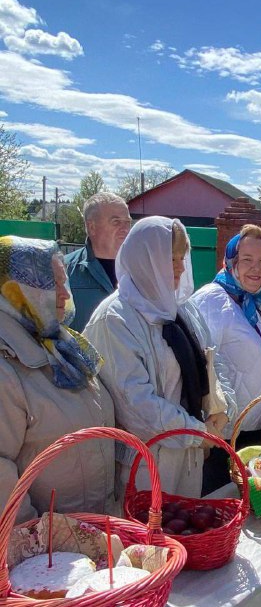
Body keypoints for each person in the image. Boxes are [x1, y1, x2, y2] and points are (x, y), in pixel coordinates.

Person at [84, 216, 235, 500]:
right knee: (148, 539)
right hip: (143, 466)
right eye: (169, 258)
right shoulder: (115, 319)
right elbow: (136, 405)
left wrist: (222, 407)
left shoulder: (179, 307)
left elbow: (213, 361)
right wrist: (198, 432)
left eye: (181, 257)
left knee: (184, 535)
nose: (179, 267)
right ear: (144, 259)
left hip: (188, 457)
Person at [0, 235, 116, 524]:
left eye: (65, 282)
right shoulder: (6, 366)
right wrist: (34, 537)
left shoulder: (62, 344)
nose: (65, 293)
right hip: (45, 552)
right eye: (52, 283)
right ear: (14, 290)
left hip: (89, 534)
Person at [190, 224, 261, 447]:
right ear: (231, 262)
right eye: (247, 260)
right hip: (227, 432)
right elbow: (200, 366)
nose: (256, 269)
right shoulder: (212, 301)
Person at [65, 192, 132, 331]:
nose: (125, 229)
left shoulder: (141, 271)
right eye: (116, 222)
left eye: (128, 222)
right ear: (92, 227)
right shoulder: (64, 272)